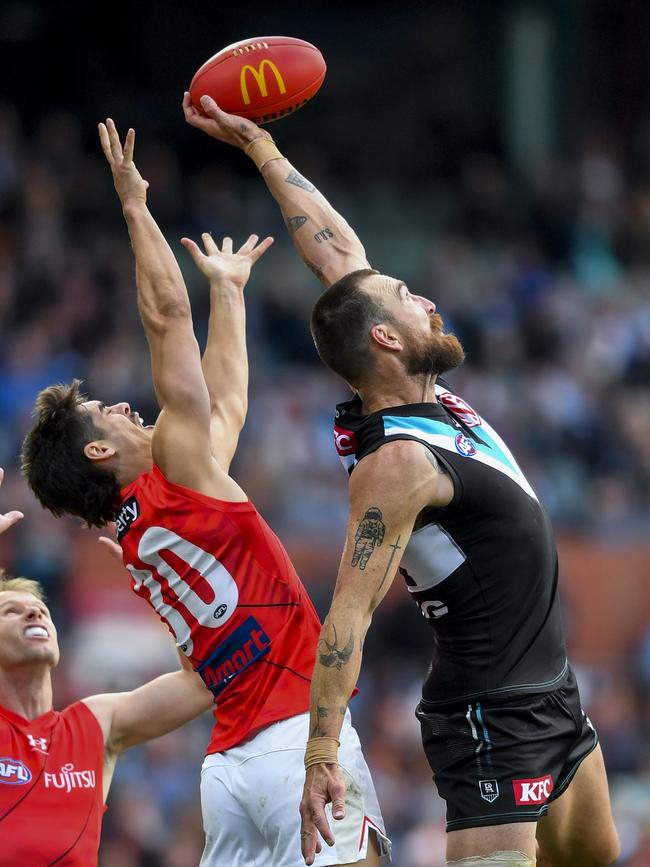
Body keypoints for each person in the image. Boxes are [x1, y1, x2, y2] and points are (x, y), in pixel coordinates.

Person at [181, 93, 621, 867]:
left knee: (594, 855)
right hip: (489, 715)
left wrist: (261, 149)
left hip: (553, 692)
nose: (428, 300)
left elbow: (336, 252)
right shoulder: (396, 465)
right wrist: (320, 756)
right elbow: (346, 617)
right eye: (410, 302)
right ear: (387, 337)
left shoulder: (425, 395)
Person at [20, 119, 390, 867]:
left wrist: (229, 294)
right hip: (294, 739)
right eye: (110, 414)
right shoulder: (178, 476)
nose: (129, 408)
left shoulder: (149, 511)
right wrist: (134, 206)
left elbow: (225, 409)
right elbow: (164, 320)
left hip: (228, 767)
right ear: (98, 450)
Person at [0, 466, 214, 865]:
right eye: (12, 611)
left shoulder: (94, 722)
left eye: (40, 611)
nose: (34, 616)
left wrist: (163, 588)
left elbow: (199, 684)